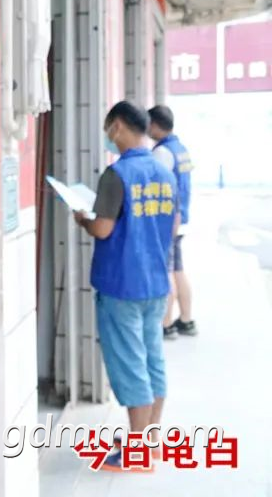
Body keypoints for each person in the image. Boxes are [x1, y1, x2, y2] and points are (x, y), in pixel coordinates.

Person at [75, 101, 178, 472]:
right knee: (152, 358)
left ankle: (137, 455)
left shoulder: (116, 174)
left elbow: (103, 228)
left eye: (108, 127)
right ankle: (150, 440)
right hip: (155, 281)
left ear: (117, 126)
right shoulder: (165, 172)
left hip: (122, 283)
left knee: (131, 364)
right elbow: (173, 224)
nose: (108, 135)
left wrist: (83, 219)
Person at [148, 105, 197, 339]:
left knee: (166, 271)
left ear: (155, 125)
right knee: (178, 269)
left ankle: (166, 324)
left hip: (169, 221)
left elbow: (154, 186)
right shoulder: (180, 149)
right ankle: (186, 320)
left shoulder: (162, 152)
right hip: (182, 217)